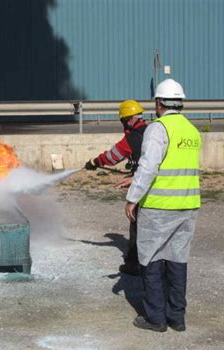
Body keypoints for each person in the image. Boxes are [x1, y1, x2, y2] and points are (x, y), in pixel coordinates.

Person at [125, 79, 201, 332]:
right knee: (177, 260)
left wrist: (133, 197)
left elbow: (148, 167)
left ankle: (156, 318)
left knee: (152, 259)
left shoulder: (158, 128)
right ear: (180, 103)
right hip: (188, 205)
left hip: (159, 206)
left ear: (158, 103)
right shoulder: (191, 130)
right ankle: (177, 317)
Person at [84, 99, 147, 275]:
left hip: (141, 186)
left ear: (127, 120)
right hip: (155, 183)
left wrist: (95, 162)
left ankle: (134, 264)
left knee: (136, 223)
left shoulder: (131, 138)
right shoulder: (151, 131)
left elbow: (113, 156)